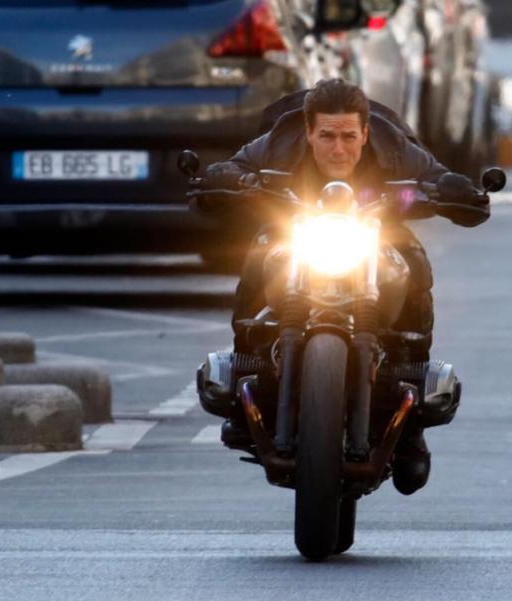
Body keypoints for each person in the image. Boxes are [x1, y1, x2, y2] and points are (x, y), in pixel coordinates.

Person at [202, 78, 489, 495]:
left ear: (365, 133)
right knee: (260, 252)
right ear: (308, 132)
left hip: (376, 236)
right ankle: (245, 386)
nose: (338, 149)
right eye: (327, 136)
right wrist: (223, 178)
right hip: (296, 233)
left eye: (349, 137)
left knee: (411, 258)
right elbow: (234, 169)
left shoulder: (393, 148)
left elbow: (437, 177)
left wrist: (457, 192)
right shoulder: (279, 142)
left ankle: (411, 424)